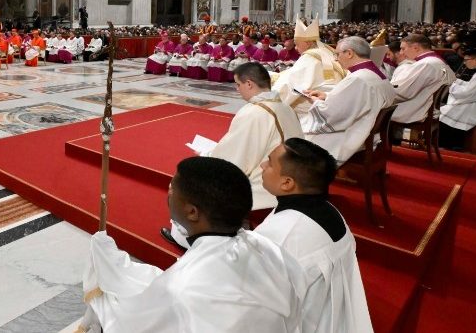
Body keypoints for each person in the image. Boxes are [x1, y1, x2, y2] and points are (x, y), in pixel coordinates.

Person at [79, 157, 309, 333]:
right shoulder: (269, 248)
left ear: (192, 212)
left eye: (172, 188)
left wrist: (103, 285)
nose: (168, 192)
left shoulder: (182, 287)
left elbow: (135, 323)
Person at [162, 63, 303, 249]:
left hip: (265, 186)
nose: (237, 90)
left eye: (238, 85)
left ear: (249, 84)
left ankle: (196, 241)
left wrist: (208, 155)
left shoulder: (254, 112)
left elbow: (233, 160)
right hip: (290, 176)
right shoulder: (285, 108)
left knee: (191, 184)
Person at [256, 138, 373, 333]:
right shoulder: (330, 210)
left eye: (269, 162)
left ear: (287, 183)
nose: (263, 165)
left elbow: (255, 302)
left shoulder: (280, 235)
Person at [299, 36, 397, 163]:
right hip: (371, 134)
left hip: (354, 136)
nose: (336, 59)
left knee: (298, 133)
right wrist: (326, 96)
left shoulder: (358, 78)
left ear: (349, 53)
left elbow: (331, 115)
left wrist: (315, 101)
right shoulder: (377, 74)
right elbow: (359, 102)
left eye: (337, 54)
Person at [272, 17, 347, 115]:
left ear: (308, 43)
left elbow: (290, 83)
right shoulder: (326, 50)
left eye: (297, 44)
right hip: (337, 97)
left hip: (323, 102)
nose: (296, 48)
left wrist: (270, 100)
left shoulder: (310, 56)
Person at [439, 46, 476, 150]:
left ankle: (449, 146)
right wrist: (457, 82)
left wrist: (453, 85)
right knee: (447, 113)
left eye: (466, 60)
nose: (464, 63)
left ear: (475, 59)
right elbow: (472, 88)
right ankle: (449, 145)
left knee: (447, 114)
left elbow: (469, 94)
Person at [391, 34, 455, 126]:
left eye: (403, 49)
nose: (401, 53)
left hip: (416, 111)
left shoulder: (426, 64)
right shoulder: (435, 61)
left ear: (416, 48)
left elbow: (402, 92)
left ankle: (378, 140)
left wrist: (382, 90)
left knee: (372, 109)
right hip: (428, 108)